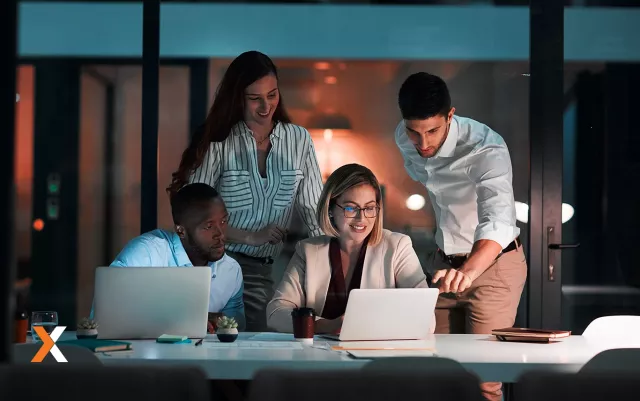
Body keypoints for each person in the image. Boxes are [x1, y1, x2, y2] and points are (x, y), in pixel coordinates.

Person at [168, 51, 323, 332]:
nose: (266, 107)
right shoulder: (218, 141)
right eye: (255, 99)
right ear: (238, 97)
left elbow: (315, 211)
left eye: (272, 95)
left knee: (264, 343)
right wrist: (251, 236)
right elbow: (193, 216)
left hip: (264, 269)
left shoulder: (299, 139)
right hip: (215, 264)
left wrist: (331, 262)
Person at [394, 72, 526, 401]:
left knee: (482, 382)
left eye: (433, 131)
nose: (423, 143)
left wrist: (467, 271)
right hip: (444, 264)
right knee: (437, 372)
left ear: (451, 115)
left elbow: (497, 219)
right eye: (414, 132)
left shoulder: (487, 148)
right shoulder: (402, 138)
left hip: (494, 266)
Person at [266, 164, 431, 334]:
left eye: (369, 208)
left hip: (377, 353)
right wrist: (323, 326)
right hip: (321, 356)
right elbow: (275, 313)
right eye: (351, 208)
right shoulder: (308, 250)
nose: (361, 218)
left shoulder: (397, 247)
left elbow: (426, 319)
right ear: (330, 208)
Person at [107, 183, 245, 331]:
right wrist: (188, 319)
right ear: (181, 231)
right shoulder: (146, 253)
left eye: (223, 221)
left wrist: (218, 323)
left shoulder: (231, 271)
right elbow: (107, 313)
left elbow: (234, 331)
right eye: (209, 226)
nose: (221, 234)